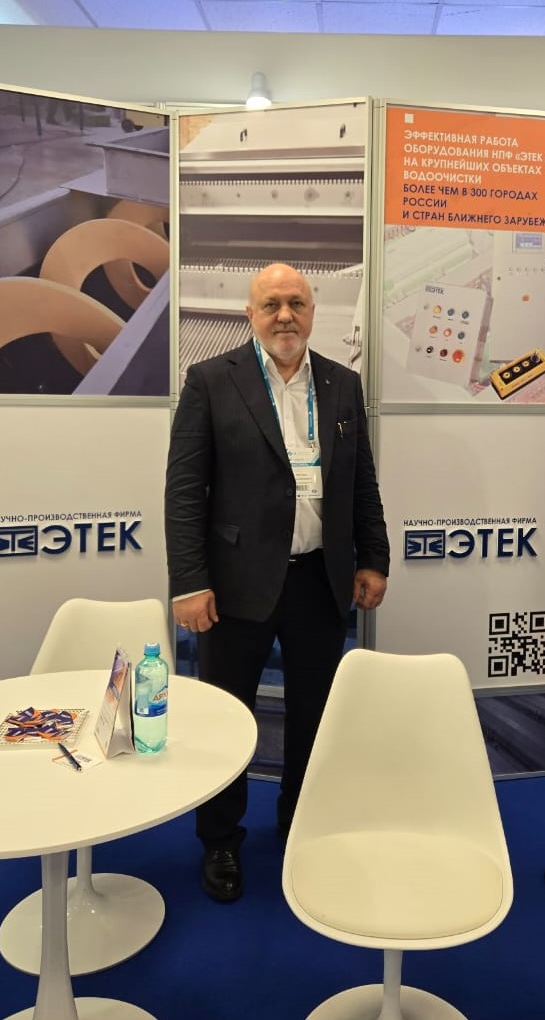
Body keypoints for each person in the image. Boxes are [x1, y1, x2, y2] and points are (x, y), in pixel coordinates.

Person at [165, 262, 389, 902]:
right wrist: (189, 581)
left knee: (314, 716)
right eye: (271, 305)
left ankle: (300, 826)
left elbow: (361, 481)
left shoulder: (342, 384)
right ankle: (220, 841)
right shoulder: (211, 380)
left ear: (313, 311)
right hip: (236, 586)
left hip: (321, 580)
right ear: (250, 315)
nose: (285, 315)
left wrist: (373, 557)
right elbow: (185, 490)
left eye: (296, 303)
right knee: (228, 720)